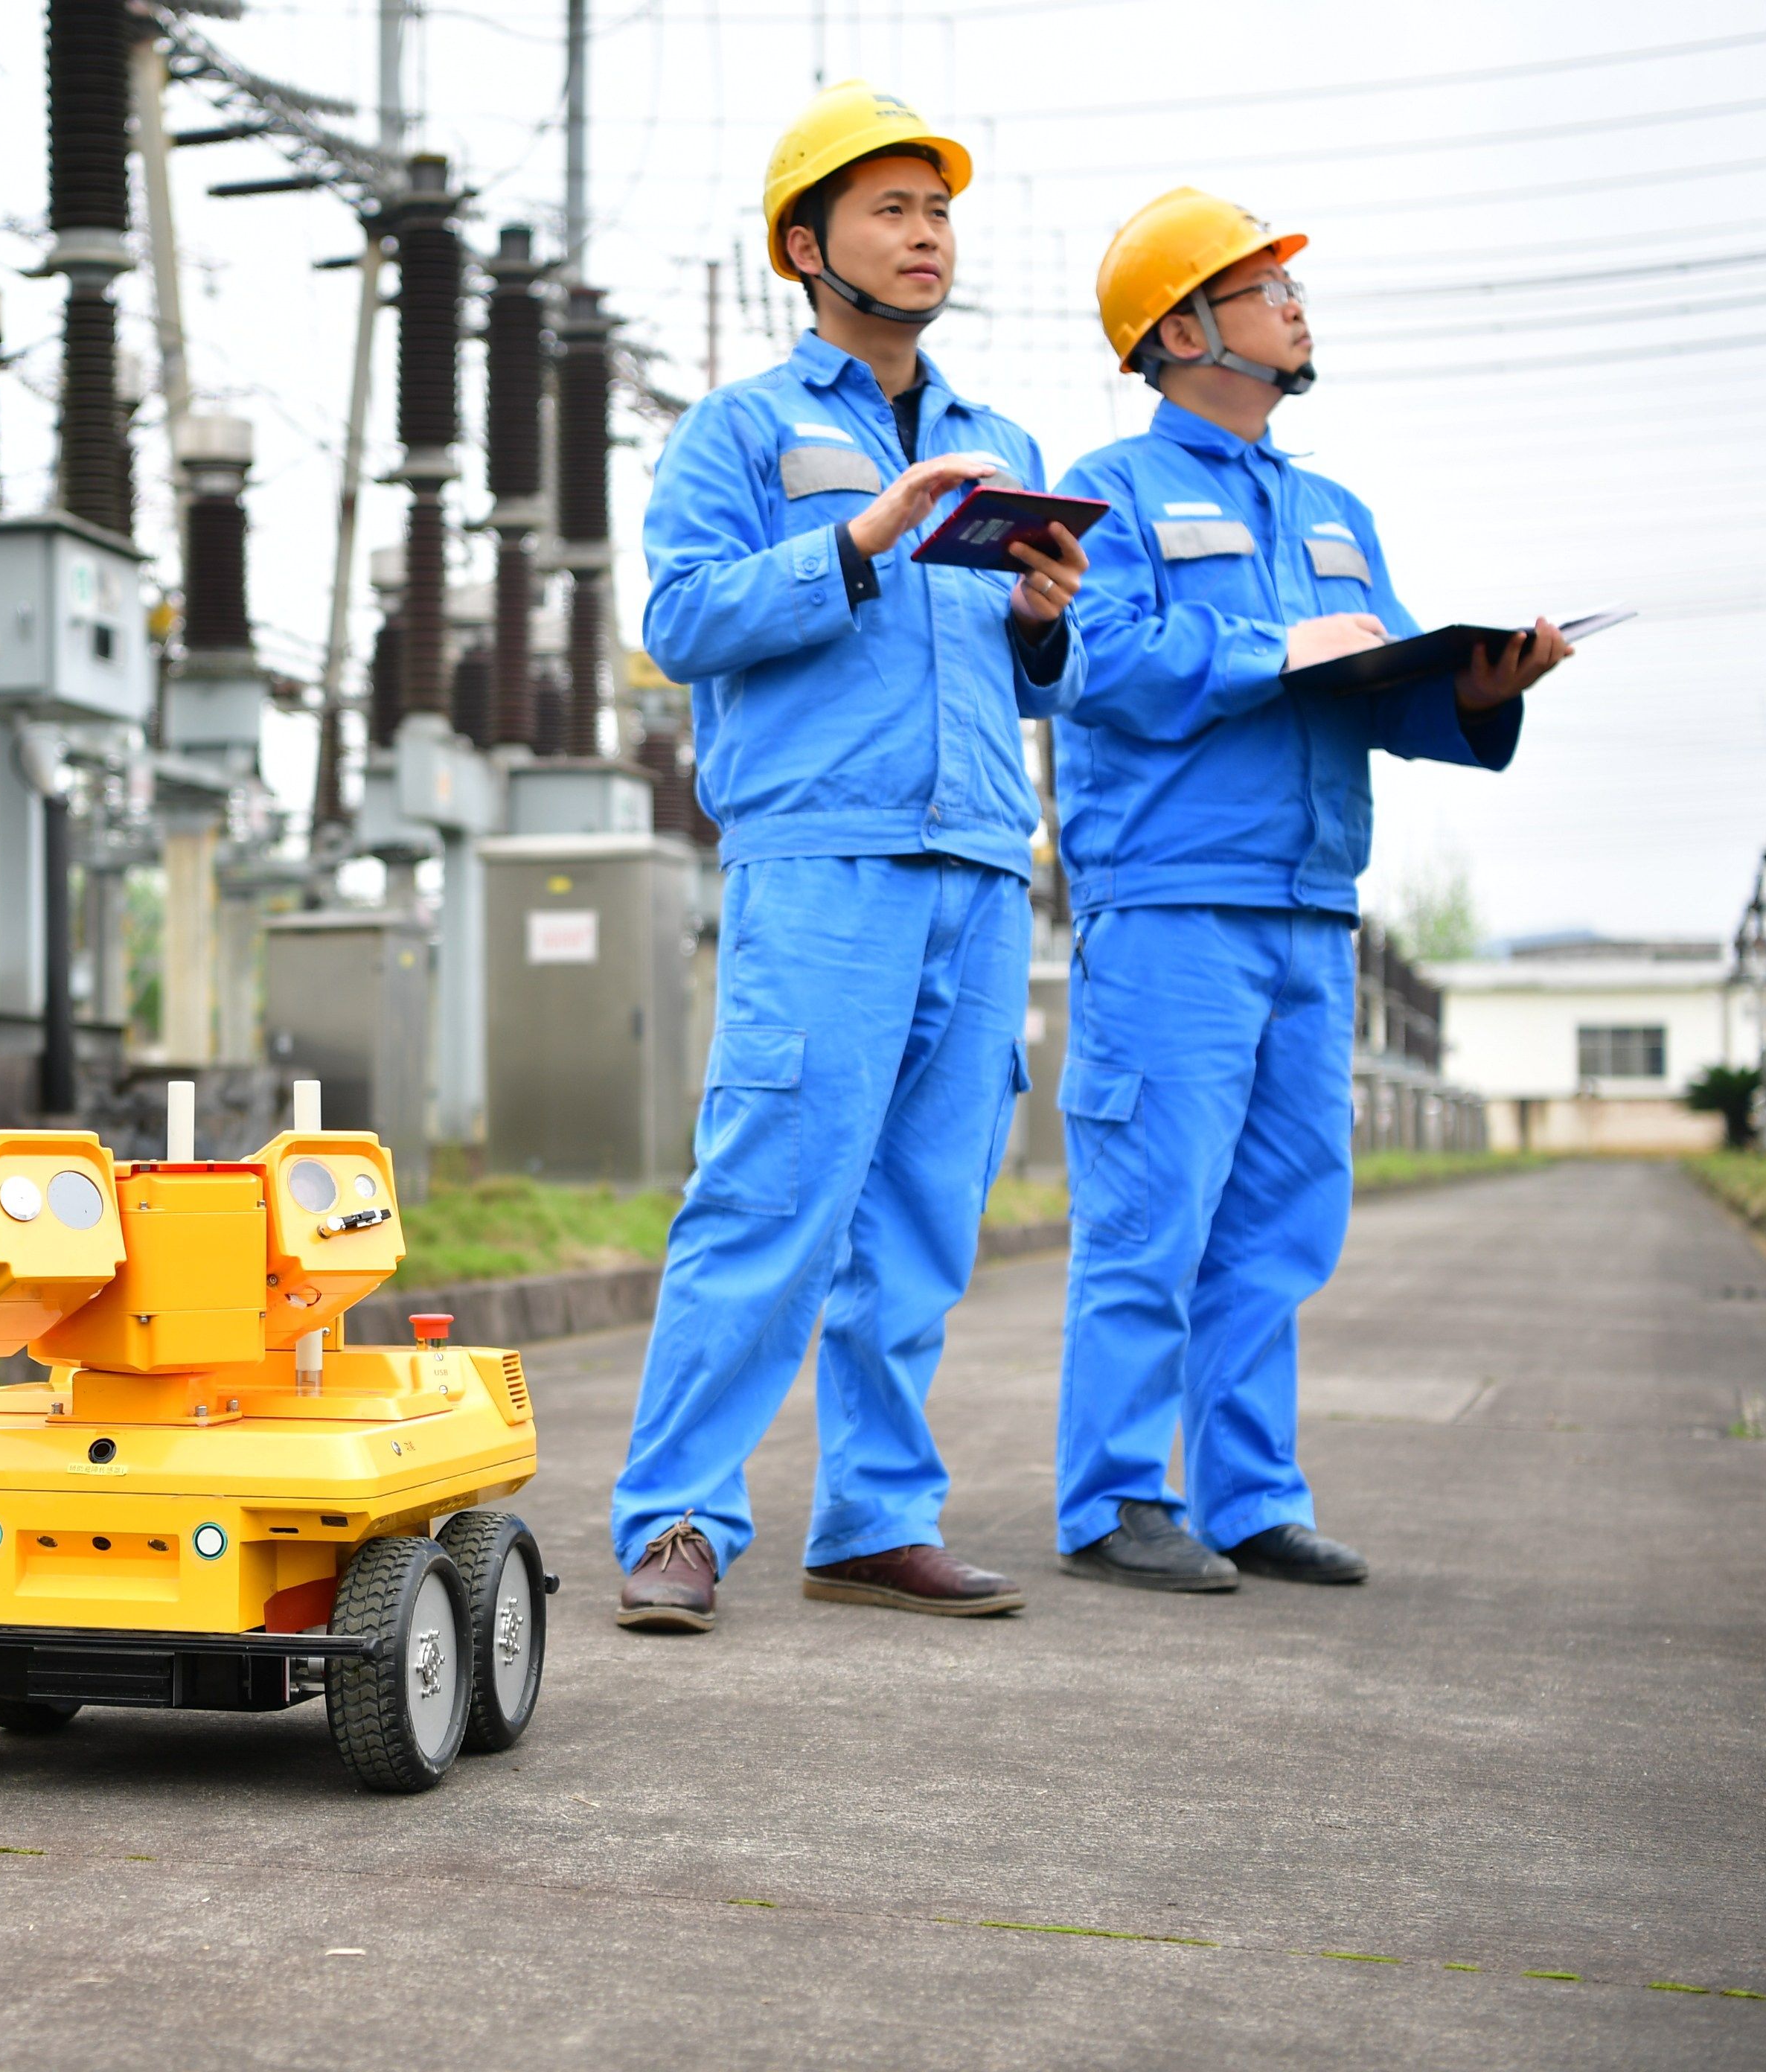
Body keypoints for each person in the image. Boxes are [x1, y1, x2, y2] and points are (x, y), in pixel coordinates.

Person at [610, 80, 1092, 1633]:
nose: (925, 235)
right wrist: (859, 540)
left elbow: (1036, 677)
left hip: (975, 863)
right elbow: (679, 620)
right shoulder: (744, 431)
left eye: (938, 210)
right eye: (891, 210)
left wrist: (1045, 626)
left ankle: (877, 1519)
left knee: (922, 1226)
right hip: (824, 865)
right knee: (770, 1201)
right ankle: (678, 1517)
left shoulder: (1000, 439)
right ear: (806, 246)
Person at [1046, 189, 1571, 1592]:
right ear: (1181, 327)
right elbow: (1095, 666)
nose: (1295, 303)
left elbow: (1377, 691)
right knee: (1154, 1213)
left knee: (1283, 1217)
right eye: (1264, 284)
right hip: (1170, 904)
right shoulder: (1109, 492)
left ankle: (1250, 1497)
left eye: (1288, 284)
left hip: (1310, 911)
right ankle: (1111, 1500)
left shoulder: (1335, 511)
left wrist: (1474, 691)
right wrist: (1269, 652)